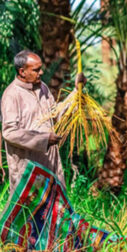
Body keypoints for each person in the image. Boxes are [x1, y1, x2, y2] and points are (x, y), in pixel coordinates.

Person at [1, 50, 86, 194]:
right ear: (22, 72)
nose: (41, 73)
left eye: (41, 69)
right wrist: (44, 139)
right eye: (36, 70)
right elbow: (9, 132)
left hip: (50, 163)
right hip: (28, 168)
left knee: (55, 210)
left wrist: (76, 92)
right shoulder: (11, 95)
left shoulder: (43, 88)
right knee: (31, 213)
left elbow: (56, 114)